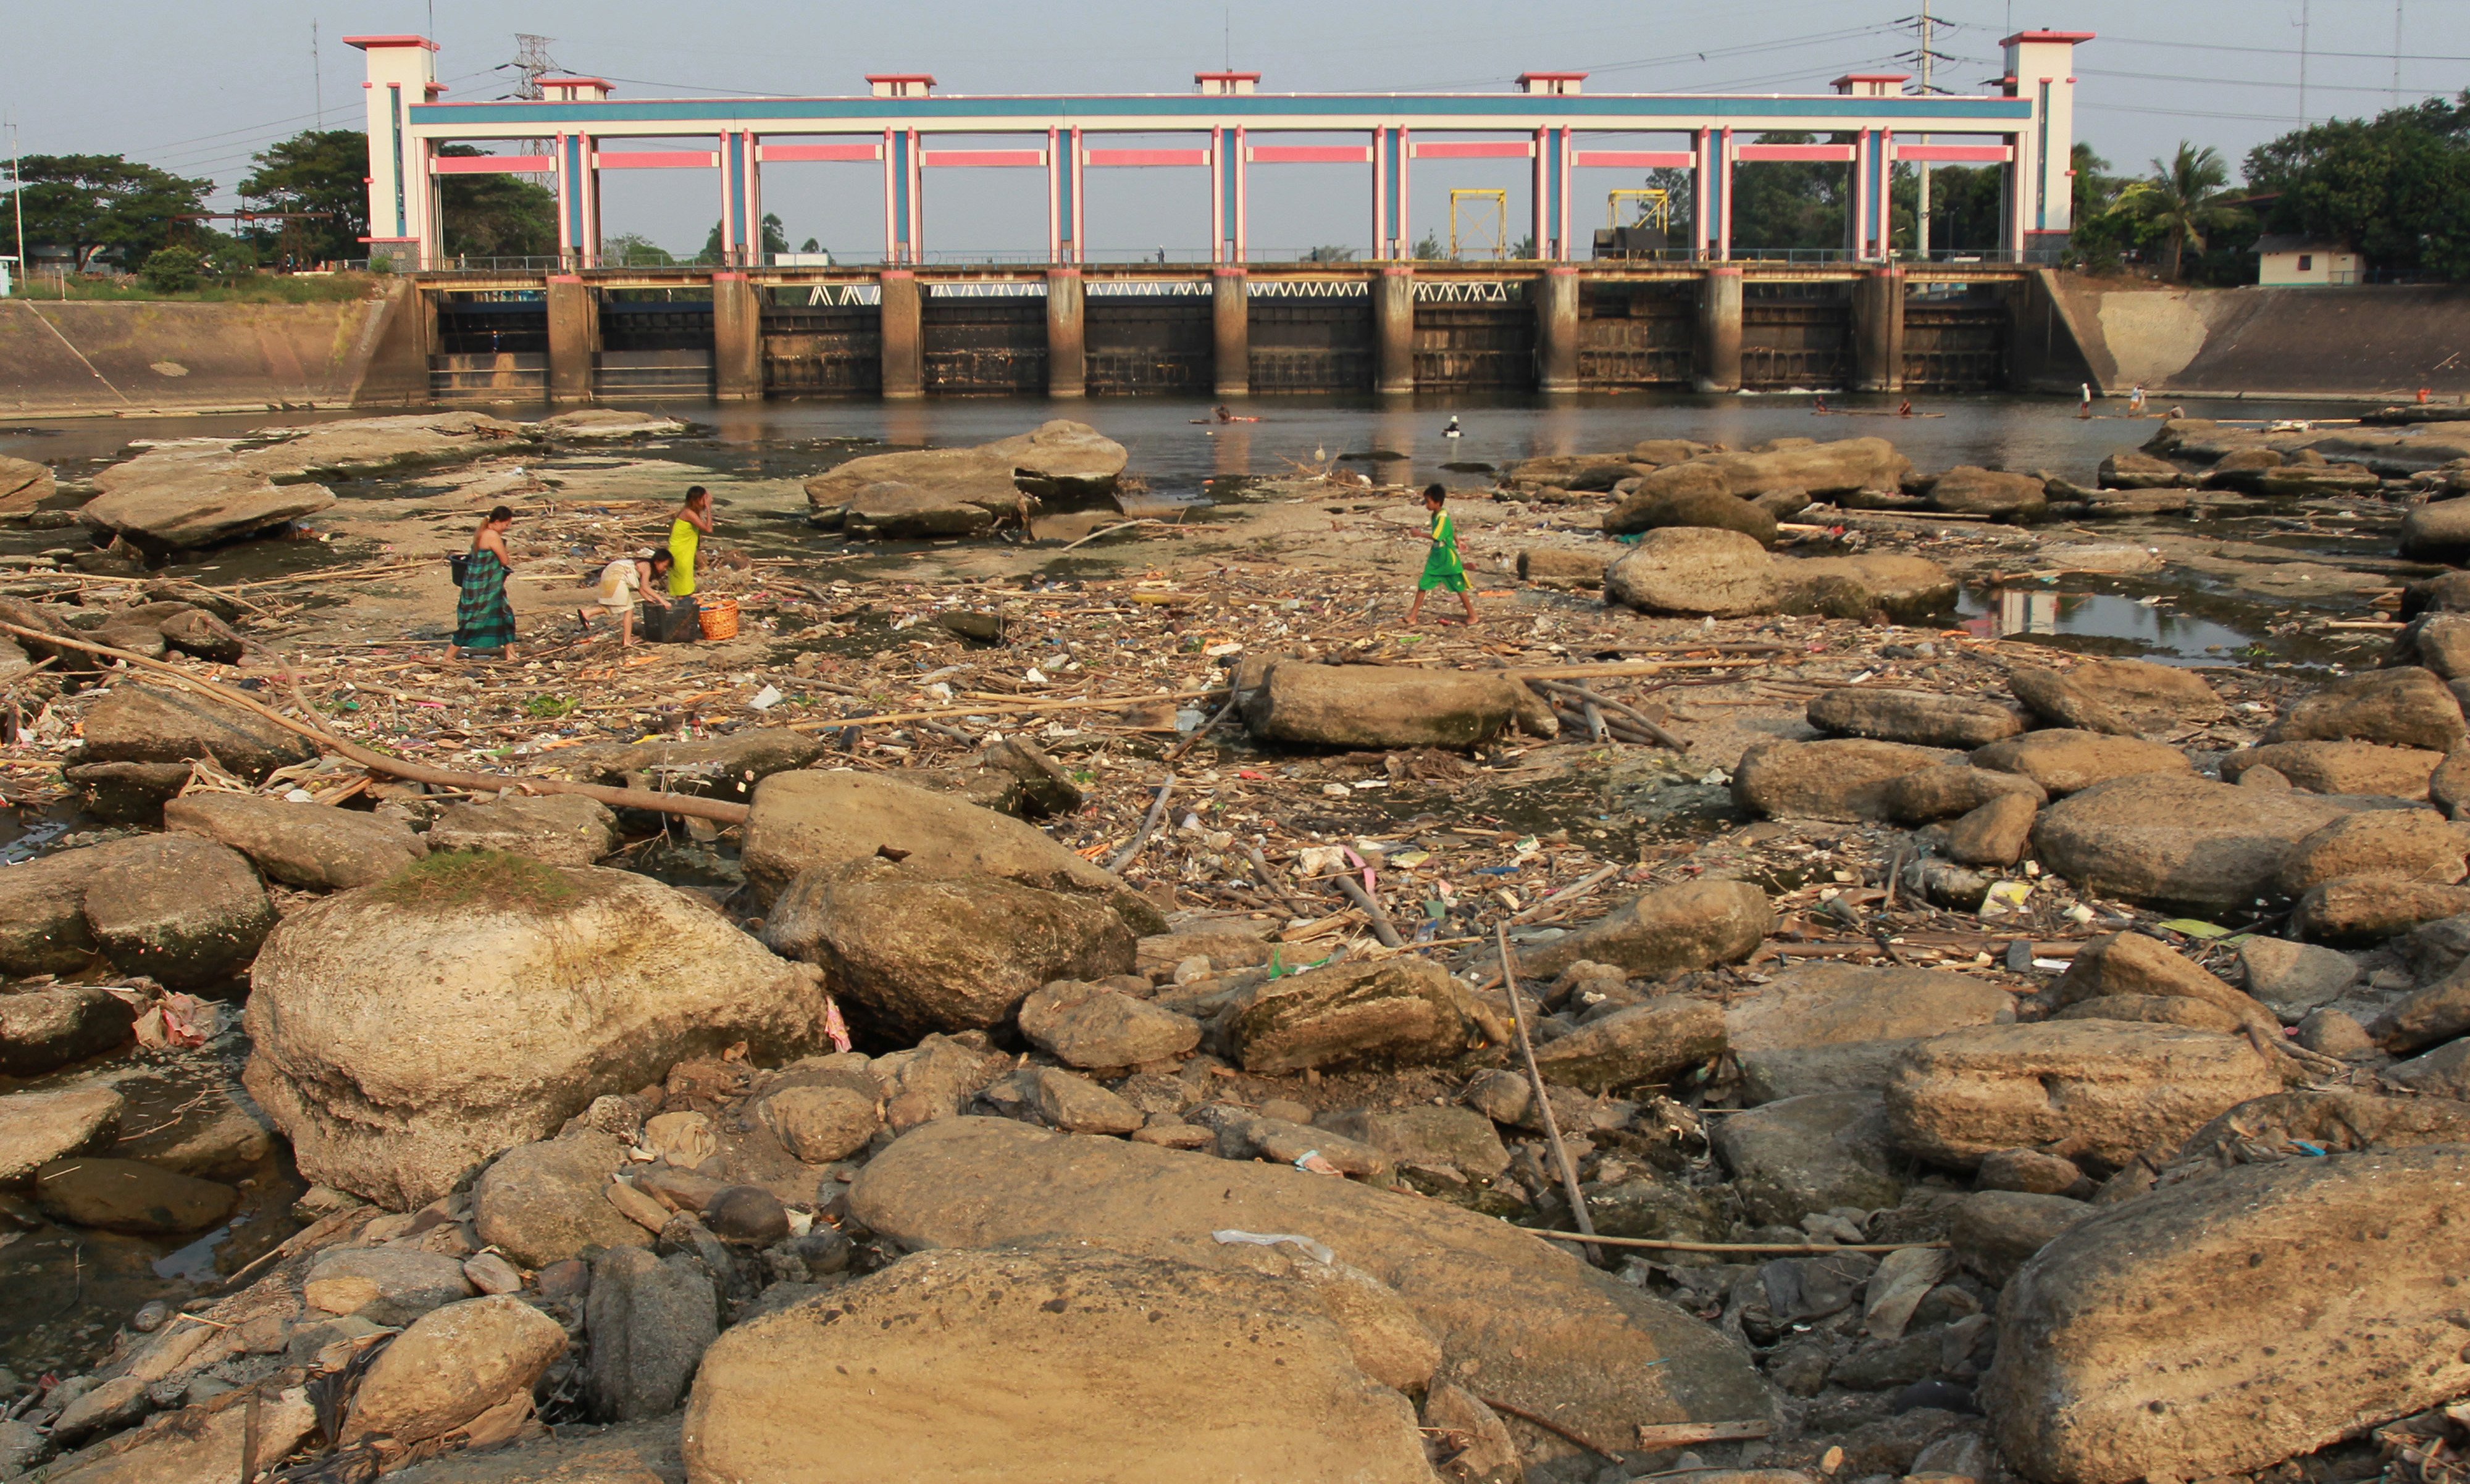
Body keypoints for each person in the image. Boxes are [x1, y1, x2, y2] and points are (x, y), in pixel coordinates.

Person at [450, 506, 519, 662]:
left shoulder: (481, 533)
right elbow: (504, 560)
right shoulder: (492, 535)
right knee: (474, 620)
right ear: (498, 522)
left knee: (503, 616)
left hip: (485, 584)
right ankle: (449, 656)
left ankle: (511, 654)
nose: (506, 528)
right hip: (484, 586)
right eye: (506, 525)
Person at [1404, 484, 1478, 627]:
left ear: (1437, 502)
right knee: (1424, 583)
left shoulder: (1442, 516)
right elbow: (1451, 529)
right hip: (1437, 556)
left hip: (1447, 557)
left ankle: (1472, 615)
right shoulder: (1436, 515)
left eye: (1428, 501)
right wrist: (1458, 541)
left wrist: (1419, 534)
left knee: (1458, 586)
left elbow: (1438, 536)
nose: (1427, 504)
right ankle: (1413, 616)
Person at [579, 549, 672, 647]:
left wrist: (647, 598)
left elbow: (640, 587)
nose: (665, 569)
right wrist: (663, 600)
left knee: (616, 604)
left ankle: (588, 613)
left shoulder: (644, 564)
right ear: (657, 561)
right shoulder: (647, 567)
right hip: (617, 575)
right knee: (629, 608)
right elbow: (645, 586)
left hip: (611, 573)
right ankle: (627, 641)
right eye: (665, 566)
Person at [668, 486, 714, 598]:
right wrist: (708, 508)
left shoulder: (693, 512)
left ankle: (685, 611)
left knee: (686, 586)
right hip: (680, 553)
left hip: (686, 552)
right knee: (682, 589)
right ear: (697, 500)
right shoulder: (688, 513)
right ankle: (681, 611)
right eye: (704, 499)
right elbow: (709, 529)